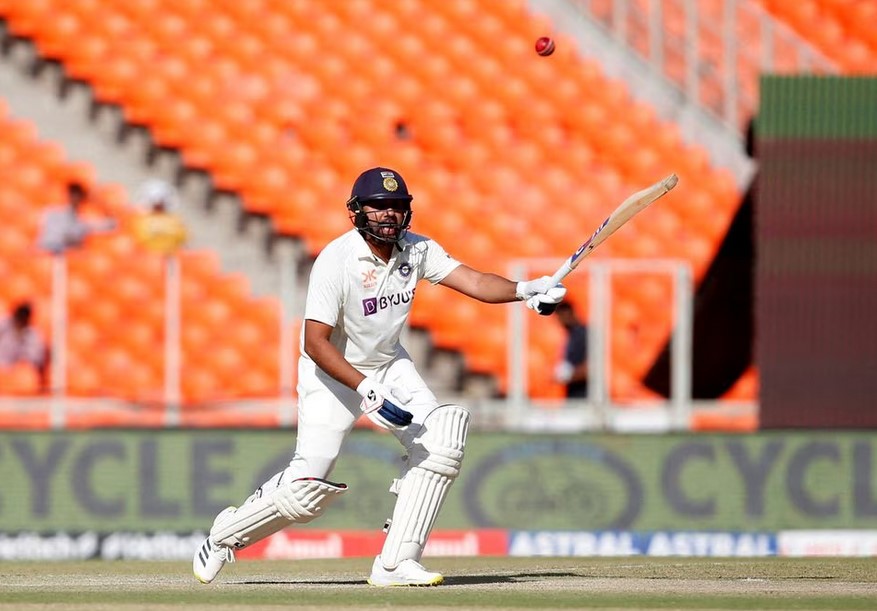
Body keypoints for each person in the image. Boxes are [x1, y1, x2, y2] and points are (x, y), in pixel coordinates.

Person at [192, 167, 567, 587]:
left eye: (396, 207)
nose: (387, 214)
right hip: (330, 374)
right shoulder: (336, 260)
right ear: (357, 212)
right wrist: (364, 387)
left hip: (388, 363)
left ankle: (395, 563)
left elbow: (475, 281)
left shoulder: (417, 250)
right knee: (306, 490)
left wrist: (524, 290)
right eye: (378, 206)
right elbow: (315, 342)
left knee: (442, 440)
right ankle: (225, 536)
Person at [36, 181, 117, 255]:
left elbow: (112, 225)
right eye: (72, 195)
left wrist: (98, 201)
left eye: (79, 197)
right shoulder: (53, 213)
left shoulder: (83, 220)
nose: (75, 200)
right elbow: (52, 239)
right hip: (50, 256)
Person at [0, 302, 49, 390]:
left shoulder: (33, 335)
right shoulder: (3, 324)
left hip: (17, 374)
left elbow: (34, 359)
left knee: (24, 376)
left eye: (22, 319)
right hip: (2, 367)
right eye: (18, 318)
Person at [131, 179, 187, 256]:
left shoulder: (175, 220)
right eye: (156, 204)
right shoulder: (136, 218)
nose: (159, 206)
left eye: (161, 204)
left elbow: (182, 240)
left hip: (165, 259)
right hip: (143, 258)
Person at [552, 301, 588, 399]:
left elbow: (592, 367)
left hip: (584, 396)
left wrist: (568, 375)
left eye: (560, 317)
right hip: (574, 394)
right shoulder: (571, 335)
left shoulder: (583, 334)